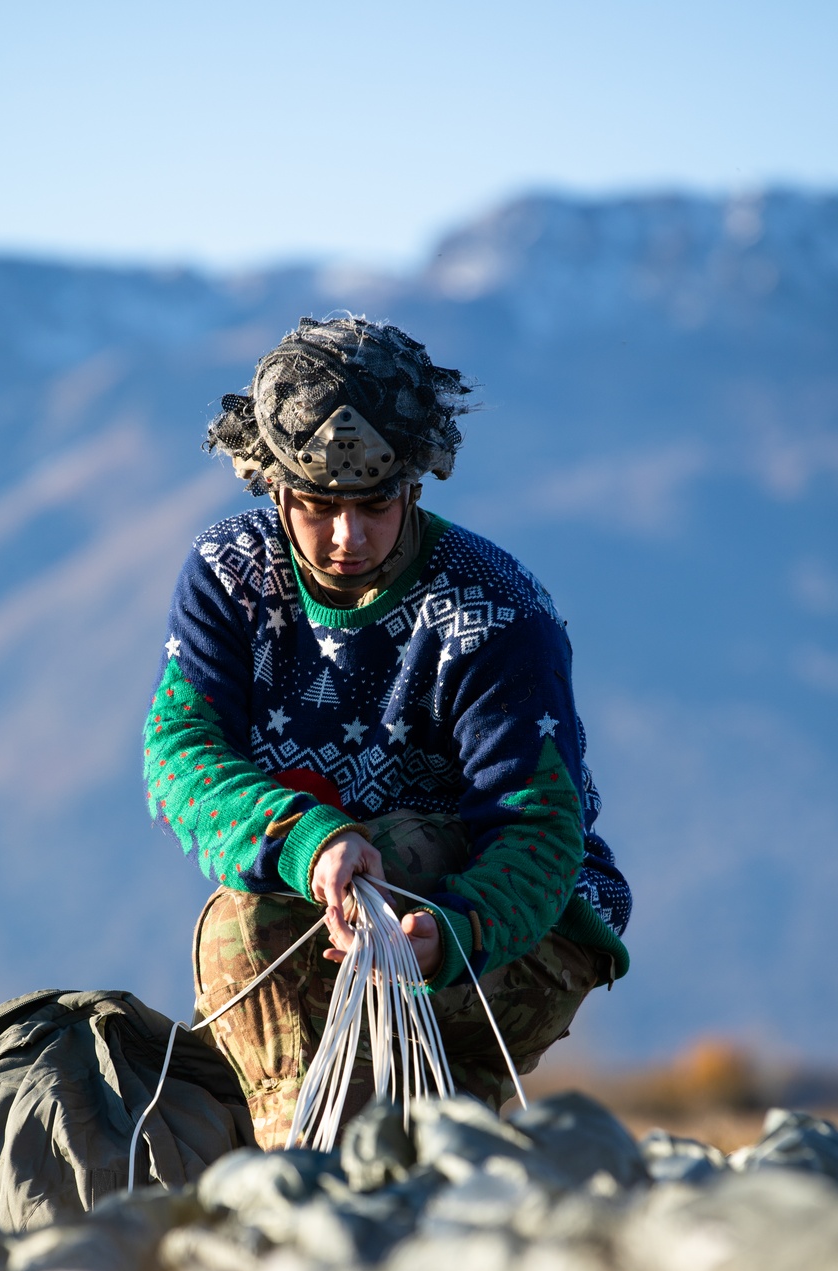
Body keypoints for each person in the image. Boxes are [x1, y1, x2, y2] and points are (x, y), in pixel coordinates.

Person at [144, 316, 631, 1150]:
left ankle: (395, 1154)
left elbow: (541, 829)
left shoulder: (495, 608)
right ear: (272, 488)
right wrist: (305, 840)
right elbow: (183, 754)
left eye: (373, 504)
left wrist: (455, 933)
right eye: (318, 507)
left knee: (397, 858)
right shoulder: (230, 574)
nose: (348, 537)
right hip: (318, 912)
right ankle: (300, 1168)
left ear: (415, 484)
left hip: (514, 924)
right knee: (241, 924)